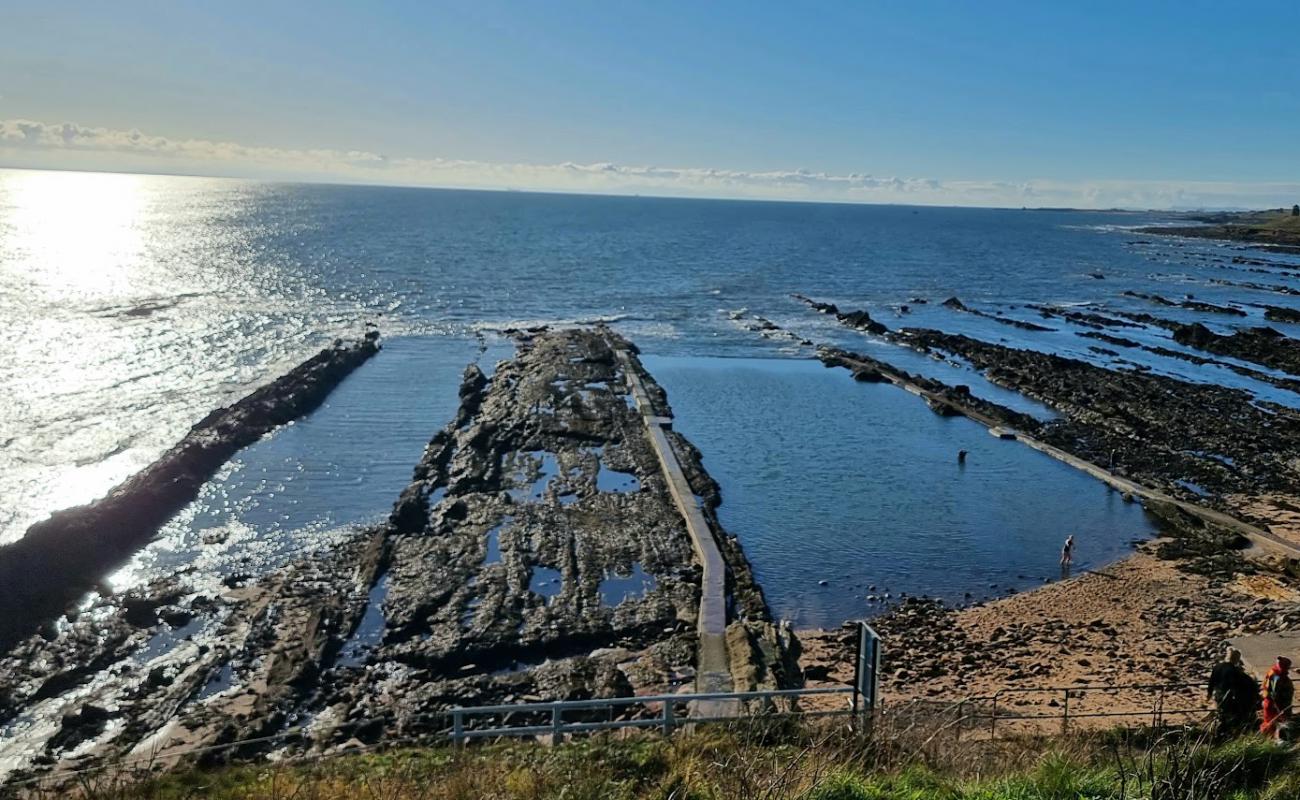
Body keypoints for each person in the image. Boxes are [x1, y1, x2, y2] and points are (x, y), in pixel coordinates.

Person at [1207, 647, 1259, 735]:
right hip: (1228, 698)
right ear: (1236, 659)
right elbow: (1236, 686)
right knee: (1232, 717)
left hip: (1218, 695)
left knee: (1221, 715)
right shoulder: (1234, 671)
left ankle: (1220, 731)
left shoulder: (1217, 667)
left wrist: (1209, 694)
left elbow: (1211, 681)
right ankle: (1231, 732)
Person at [1260, 656, 1294, 738]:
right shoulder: (1277, 676)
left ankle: (1270, 738)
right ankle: (1274, 739)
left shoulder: (1274, 672)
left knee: (1271, 723)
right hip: (1275, 706)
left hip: (1272, 704)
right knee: (1274, 723)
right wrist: (1280, 709)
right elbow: (1274, 694)